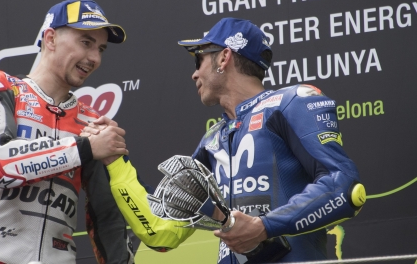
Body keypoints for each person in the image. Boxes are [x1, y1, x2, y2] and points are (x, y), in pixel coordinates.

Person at [91, 17, 366, 263]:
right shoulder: (212, 141)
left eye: (198, 59)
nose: (194, 73)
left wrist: (265, 226)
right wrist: (115, 161)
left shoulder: (290, 103)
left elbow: (344, 187)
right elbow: (162, 230)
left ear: (224, 57)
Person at [0, 0, 135, 264]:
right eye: (86, 43)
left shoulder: (91, 121)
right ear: (50, 38)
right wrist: (83, 148)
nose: (94, 58)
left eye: (101, 49)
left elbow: (107, 219)